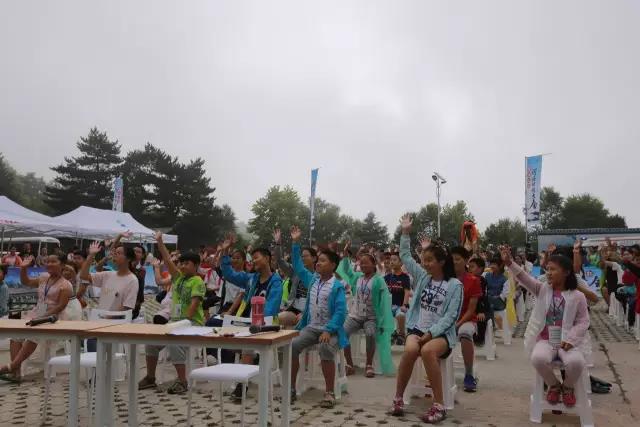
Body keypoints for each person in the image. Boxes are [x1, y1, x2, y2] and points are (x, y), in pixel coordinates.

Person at [389, 215, 462, 424]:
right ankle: (398, 399)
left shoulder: (455, 285)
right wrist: (405, 232)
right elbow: (405, 256)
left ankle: (439, 405)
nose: (425, 263)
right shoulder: (423, 277)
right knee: (410, 350)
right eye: (424, 259)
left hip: (441, 335)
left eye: (430, 260)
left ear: (442, 262)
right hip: (418, 328)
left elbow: (451, 316)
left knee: (428, 351)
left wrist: (431, 333)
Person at [501, 245, 589, 407]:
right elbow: (524, 277)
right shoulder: (542, 289)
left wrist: (572, 339)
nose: (548, 272)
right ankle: (553, 385)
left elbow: (583, 321)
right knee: (538, 358)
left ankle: (568, 387)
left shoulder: (578, 296)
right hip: (546, 340)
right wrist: (509, 263)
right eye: (547, 269)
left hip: (567, 341)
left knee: (577, 362)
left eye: (553, 269)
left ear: (566, 272)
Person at [217, 234, 283, 400]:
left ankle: (241, 385)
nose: (253, 261)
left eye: (256, 258)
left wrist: (256, 325)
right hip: (244, 323)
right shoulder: (251, 278)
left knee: (248, 345)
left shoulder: (276, 282)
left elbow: (271, 307)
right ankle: (242, 372)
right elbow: (229, 274)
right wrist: (225, 252)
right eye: (252, 259)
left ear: (267, 258)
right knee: (222, 335)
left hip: (265, 325)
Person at [139, 232, 206, 394]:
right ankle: (150, 378)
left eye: (187, 263)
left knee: (174, 342)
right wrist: (160, 242)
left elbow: (194, 304)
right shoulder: (178, 278)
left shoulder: (197, 281)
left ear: (196, 265)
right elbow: (168, 260)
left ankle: (182, 381)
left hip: (192, 323)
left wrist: (184, 322)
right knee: (151, 343)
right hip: (175, 323)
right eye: (181, 263)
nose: (182, 266)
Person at [289, 225, 347, 409]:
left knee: (325, 347)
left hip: (331, 330)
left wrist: (328, 330)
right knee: (292, 345)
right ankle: (291, 389)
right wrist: (295, 243)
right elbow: (298, 266)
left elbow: (340, 313)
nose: (318, 263)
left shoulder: (337, 286)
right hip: (312, 327)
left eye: (322, 260)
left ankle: (329, 392)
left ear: (333, 265)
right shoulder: (313, 279)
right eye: (318, 261)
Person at [0, 254, 73, 380]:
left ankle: (11, 367)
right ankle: (16, 373)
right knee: (16, 335)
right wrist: (23, 268)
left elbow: (60, 307)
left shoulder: (66, 285)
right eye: (48, 261)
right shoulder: (43, 277)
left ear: (62, 264)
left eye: (53, 261)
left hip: (53, 319)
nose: (49, 264)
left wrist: (42, 317)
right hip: (36, 314)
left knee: (33, 336)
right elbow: (26, 282)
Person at [337, 243, 395, 378]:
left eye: (365, 263)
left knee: (370, 333)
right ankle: (349, 364)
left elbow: (384, 303)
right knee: (343, 333)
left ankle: (369, 364)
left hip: (371, 317)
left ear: (373, 264)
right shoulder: (357, 277)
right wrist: (345, 254)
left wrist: (382, 322)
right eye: (361, 263)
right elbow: (346, 270)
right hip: (355, 315)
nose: (362, 265)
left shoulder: (379, 281)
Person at [451, 246, 482, 392]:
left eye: (457, 259)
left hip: (467, 320)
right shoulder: (445, 279)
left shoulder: (473, 280)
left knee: (465, 333)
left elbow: (471, 310)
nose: (454, 262)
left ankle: (469, 375)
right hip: (448, 320)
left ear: (466, 261)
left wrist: (458, 324)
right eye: (452, 259)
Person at [273, 228, 318, 328]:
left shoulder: (318, 277)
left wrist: (305, 313)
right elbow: (280, 260)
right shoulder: (295, 272)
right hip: (293, 309)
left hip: (309, 311)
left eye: (306, 256)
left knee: (300, 325)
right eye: (302, 256)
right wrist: (278, 244)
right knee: (276, 319)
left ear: (314, 258)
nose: (303, 258)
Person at [384, 252, 411, 345]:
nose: (391, 262)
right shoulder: (387, 277)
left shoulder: (405, 277)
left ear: (401, 262)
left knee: (401, 315)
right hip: (389, 306)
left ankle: (402, 334)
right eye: (391, 260)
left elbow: (407, 293)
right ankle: (393, 333)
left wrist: (404, 305)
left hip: (400, 305)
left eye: (394, 260)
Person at [469, 257, 491, 345]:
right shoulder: (467, 279)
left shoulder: (483, 281)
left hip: (481, 307)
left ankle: (479, 339)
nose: (470, 269)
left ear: (480, 269)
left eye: (472, 267)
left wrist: (481, 311)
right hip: (469, 307)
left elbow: (483, 298)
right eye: (469, 266)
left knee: (481, 319)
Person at [483, 256, 508, 329]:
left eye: (494, 264)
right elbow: (484, 288)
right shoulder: (487, 275)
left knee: (489, 304)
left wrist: (496, 297)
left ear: (500, 266)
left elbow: (504, 294)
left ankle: (493, 325)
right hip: (488, 298)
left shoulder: (504, 279)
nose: (492, 266)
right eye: (491, 264)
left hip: (499, 301)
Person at [131, 244, 147, 319]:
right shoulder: (124, 265)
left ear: (142, 255)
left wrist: (138, 302)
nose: (135, 253)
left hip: (134, 301)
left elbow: (140, 288)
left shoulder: (142, 270)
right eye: (134, 251)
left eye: (138, 252)